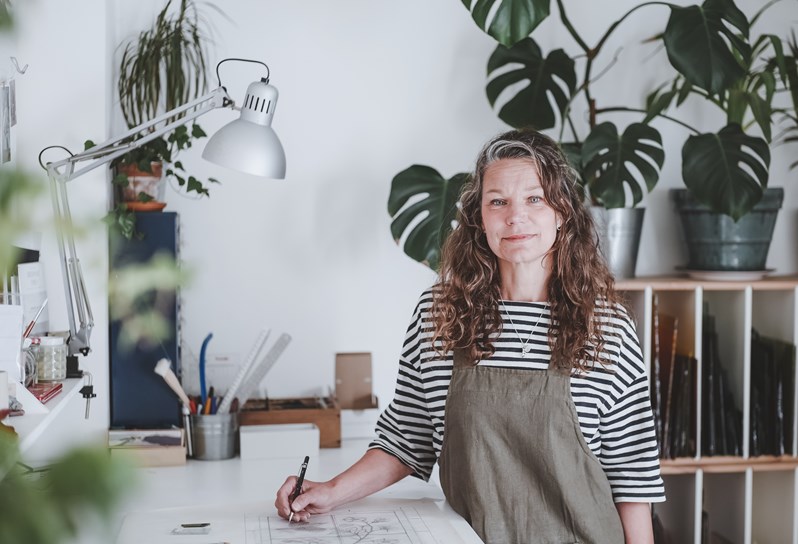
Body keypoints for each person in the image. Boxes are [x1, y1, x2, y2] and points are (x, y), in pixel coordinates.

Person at [275, 128, 665, 543]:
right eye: (499, 201)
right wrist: (330, 491)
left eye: (535, 198)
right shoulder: (440, 314)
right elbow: (409, 435)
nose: (516, 216)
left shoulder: (606, 324)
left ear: (562, 212)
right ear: (479, 217)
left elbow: (632, 474)